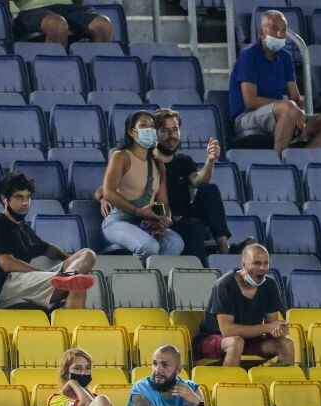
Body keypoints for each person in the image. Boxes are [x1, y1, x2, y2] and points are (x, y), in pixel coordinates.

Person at [0, 171, 97, 311]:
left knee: (87, 254)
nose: (25, 203)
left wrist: (69, 261)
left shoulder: (23, 228)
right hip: (6, 285)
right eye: (19, 197)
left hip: (26, 279)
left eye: (28, 197)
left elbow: (48, 249)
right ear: (5, 199)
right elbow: (7, 264)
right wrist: (42, 273)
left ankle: (68, 278)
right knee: (78, 284)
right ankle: (68, 282)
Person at [228, 10, 321, 156]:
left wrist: (301, 117)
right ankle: (279, 163)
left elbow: (295, 97)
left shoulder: (285, 57)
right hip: (247, 117)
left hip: (282, 113)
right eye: (275, 29)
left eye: (283, 30)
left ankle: (304, 160)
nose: (280, 34)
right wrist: (288, 106)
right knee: (288, 107)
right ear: (262, 32)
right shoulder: (248, 56)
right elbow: (250, 101)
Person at [194, 243, 295, 367]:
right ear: (244, 264)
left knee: (287, 344)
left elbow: (271, 327)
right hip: (214, 340)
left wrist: (279, 329)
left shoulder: (270, 285)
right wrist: (268, 327)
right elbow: (227, 331)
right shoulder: (224, 285)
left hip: (249, 340)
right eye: (257, 263)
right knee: (236, 342)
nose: (262, 268)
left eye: (266, 263)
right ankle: (230, 380)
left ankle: (281, 379)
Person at [100, 111, 184, 258]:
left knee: (175, 243)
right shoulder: (120, 156)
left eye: (152, 126)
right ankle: (136, 272)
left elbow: (163, 203)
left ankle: (154, 272)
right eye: (144, 126)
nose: (149, 130)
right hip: (118, 221)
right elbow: (108, 192)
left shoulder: (158, 164)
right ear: (132, 132)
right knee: (148, 246)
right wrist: (138, 211)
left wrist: (163, 220)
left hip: (144, 223)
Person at [153, 108, 231, 260]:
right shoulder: (147, 162)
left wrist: (210, 160)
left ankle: (224, 248)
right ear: (155, 134)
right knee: (195, 225)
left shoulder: (183, 160)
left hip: (185, 215)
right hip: (162, 221)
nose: (171, 135)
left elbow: (198, 181)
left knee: (209, 189)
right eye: (165, 130)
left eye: (175, 129)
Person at [8, 0, 111, 47]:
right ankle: (56, 75)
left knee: (103, 25)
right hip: (30, 11)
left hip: (68, 7)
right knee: (57, 24)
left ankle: (94, 77)